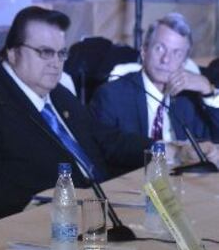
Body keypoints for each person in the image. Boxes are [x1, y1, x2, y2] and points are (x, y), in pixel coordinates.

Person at [0, 6, 150, 220]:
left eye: (61, 53)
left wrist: (162, 150)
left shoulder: (58, 92)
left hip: (103, 205)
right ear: (13, 54)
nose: (56, 63)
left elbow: (107, 139)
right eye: (45, 52)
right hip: (51, 220)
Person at [90, 13, 219, 163]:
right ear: (144, 51)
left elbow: (214, 137)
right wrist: (171, 151)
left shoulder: (188, 97)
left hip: (187, 176)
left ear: (184, 62)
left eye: (176, 53)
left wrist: (208, 92)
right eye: (160, 48)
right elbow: (109, 146)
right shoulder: (112, 94)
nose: (166, 59)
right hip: (137, 176)